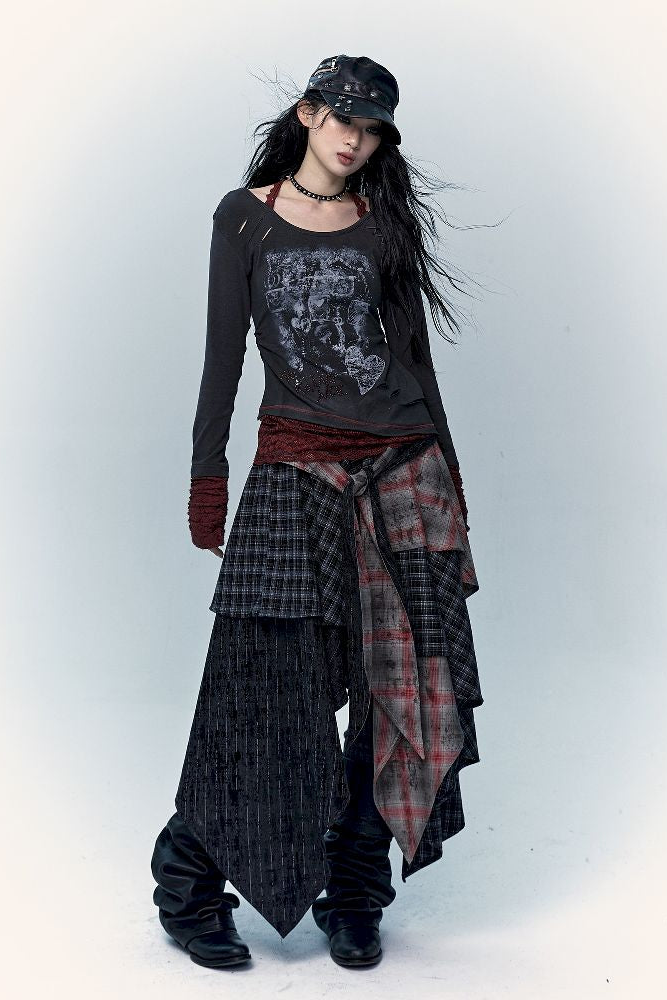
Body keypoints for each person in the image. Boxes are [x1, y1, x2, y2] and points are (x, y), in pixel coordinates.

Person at [151, 53, 484, 970]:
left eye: (372, 130)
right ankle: (187, 889)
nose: (355, 140)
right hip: (294, 469)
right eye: (343, 119)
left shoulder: (383, 227)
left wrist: (452, 480)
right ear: (307, 112)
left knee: (395, 694)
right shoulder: (243, 218)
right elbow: (223, 358)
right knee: (261, 691)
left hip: (403, 468)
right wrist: (208, 476)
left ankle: (356, 893)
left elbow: (414, 362)